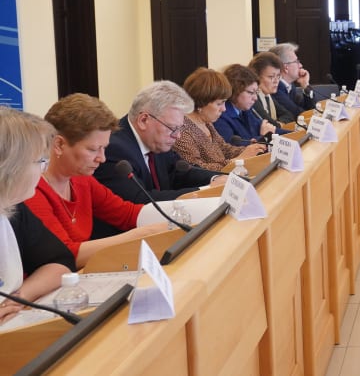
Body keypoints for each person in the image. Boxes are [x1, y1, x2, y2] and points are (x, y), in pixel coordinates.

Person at [23, 94, 169, 268]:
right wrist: (138, 235)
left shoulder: (82, 179)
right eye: (93, 149)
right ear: (59, 145)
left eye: (104, 148)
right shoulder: (31, 190)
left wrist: (182, 214)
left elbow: (127, 214)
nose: (102, 158)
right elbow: (64, 254)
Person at [93, 81, 226, 203]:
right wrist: (205, 191)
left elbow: (179, 172)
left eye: (179, 128)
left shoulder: (156, 141)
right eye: (173, 128)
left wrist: (216, 179)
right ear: (143, 120)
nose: (178, 135)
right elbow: (139, 199)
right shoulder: (113, 149)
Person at [0, 107, 75, 323]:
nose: (43, 170)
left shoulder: (13, 208)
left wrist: (18, 298)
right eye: (40, 161)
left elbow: (60, 262)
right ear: (11, 167)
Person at [172, 68, 268, 171]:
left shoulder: (206, 122)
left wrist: (248, 150)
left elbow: (224, 149)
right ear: (201, 102)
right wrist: (236, 161)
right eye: (219, 103)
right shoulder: (182, 131)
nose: (224, 109)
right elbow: (197, 169)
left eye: (224, 102)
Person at [214, 64, 279, 144]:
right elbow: (237, 147)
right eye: (251, 92)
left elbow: (266, 128)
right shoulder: (221, 117)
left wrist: (293, 133)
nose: (255, 98)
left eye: (256, 92)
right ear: (235, 91)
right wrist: (266, 136)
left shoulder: (245, 110)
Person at [269, 42, 317, 117]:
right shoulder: (276, 89)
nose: (301, 65)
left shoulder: (290, 86)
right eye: (296, 62)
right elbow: (298, 114)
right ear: (285, 67)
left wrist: (305, 85)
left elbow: (310, 108)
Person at [249, 52, 297, 128]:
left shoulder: (268, 96)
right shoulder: (253, 98)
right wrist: (279, 124)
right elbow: (268, 123)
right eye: (271, 77)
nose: (276, 81)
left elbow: (289, 115)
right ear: (256, 77)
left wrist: (278, 123)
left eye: (278, 76)